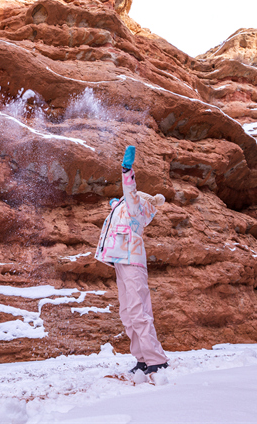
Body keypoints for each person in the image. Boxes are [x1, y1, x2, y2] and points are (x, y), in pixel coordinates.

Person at [95, 145, 169, 375]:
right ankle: (142, 358)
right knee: (127, 313)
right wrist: (116, 207)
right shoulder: (128, 209)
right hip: (120, 260)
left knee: (138, 310)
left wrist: (127, 171)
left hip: (132, 259)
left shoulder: (138, 207)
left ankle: (157, 359)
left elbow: (130, 193)